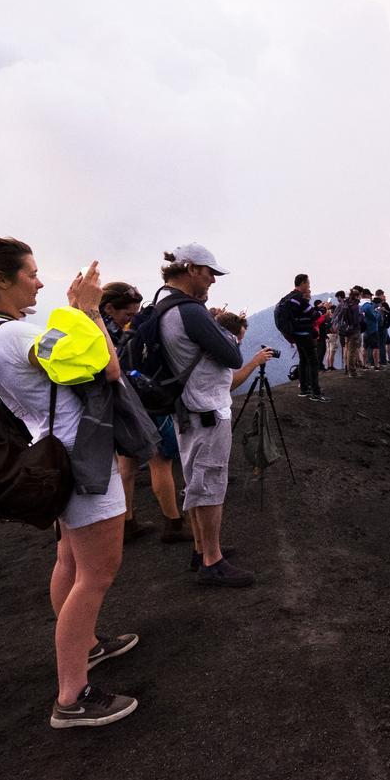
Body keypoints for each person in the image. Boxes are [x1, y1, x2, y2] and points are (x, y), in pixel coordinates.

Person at [0, 237, 138, 728]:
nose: (39, 281)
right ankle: (72, 696)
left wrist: (74, 312)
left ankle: (87, 648)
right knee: (97, 574)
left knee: (70, 559)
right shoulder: (12, 335)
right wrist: (89, 313)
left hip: (57, 452)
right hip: (81, 456)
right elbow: (105, 366)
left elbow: (66, 363)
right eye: (30, 273)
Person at [159, 243, 270, 586]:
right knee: (209, 486)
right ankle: (212, 561)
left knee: (196, 482)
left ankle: (200, 549)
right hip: (205, 410)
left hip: (186, 408)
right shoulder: (190, 311)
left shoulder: (163, 303)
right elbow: (232, 356)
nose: (212, 281)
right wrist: (222, 331)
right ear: (191, 268)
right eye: (210, 273)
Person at [99, 281, 192, 545]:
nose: (131, 319)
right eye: (128, 314)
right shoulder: (111, 333)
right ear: (109, 308)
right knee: (160, 461)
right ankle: (173, 523)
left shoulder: (96, 328)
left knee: (127, 464)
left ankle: (127, 523)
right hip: (141, 403)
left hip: (116, 405)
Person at [277, 273, 329, 402]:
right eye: (308, 283)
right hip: (304, 334)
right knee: (313, 362)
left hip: (296, 334)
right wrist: (324, 310)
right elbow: (314, 315)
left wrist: (317, 309)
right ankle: (316, 392)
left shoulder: (289, 298)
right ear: (303, 284)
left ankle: (304, 389)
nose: (309, 286)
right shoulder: (299, 299)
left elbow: (304, 312)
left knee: (303, 360)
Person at [360, 290, 381, 370]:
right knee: (375, 347)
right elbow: (375, 317)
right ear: (367, 295)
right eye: (370, 295)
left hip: (365, 330)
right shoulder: (368, 306)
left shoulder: (361, 305)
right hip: (372, 329)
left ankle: (364, 364)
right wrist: (378, 311)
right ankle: (376, 365)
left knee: (365, 347)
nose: (371, 297)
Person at [375, 289, 390, 365]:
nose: (384, 296)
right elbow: (387, 315)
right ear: (380, 295)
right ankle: (383, 360)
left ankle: (385, 359)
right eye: (383, 295)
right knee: (382, 343)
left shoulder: (374, 303)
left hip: (377, 326)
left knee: (388, 342)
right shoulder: (383, 304)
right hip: (382, 326)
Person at [325, 291, 345, 371]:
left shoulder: (326, 316)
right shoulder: (333, 318)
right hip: (333, 334)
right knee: (332, 351)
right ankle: (331, 366)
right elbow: (334, 326)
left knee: (328, 351)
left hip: (327, 335)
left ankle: (328, 366)